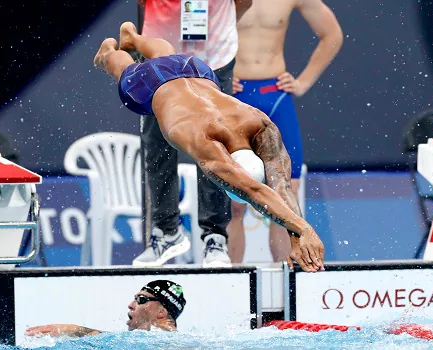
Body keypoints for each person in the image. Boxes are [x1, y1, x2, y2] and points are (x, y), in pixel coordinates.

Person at [94, 22, 325, 271]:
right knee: (123, 68)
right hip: (153, 86)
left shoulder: (255, 121)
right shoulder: (213, 141)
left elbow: (280, 184)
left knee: (166, 57)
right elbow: (257, 190)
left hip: (195, 69)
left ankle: (134, 38)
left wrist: (299, 233)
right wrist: (303, 228)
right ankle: (107, 53)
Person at [134, 0, 253, 269]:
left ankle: (214, 236)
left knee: (215, 145)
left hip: (215, 57)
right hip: (159, 59)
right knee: (158, 145)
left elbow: (245, 2)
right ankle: (166, 232)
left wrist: (220, 28)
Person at [227, 0, 343, 263]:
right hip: (234, 97)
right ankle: (230, 281)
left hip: (275, 97)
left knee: (284, 200)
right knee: (234, 203)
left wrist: (303, 82)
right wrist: (214, 74)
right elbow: (192, 38)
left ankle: (284, 282)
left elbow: (332, 34)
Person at [25, 280, 187, 336]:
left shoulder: (162, 339)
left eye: (141, 299)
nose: (131, 305)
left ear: (162, 312)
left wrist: (75, 330)